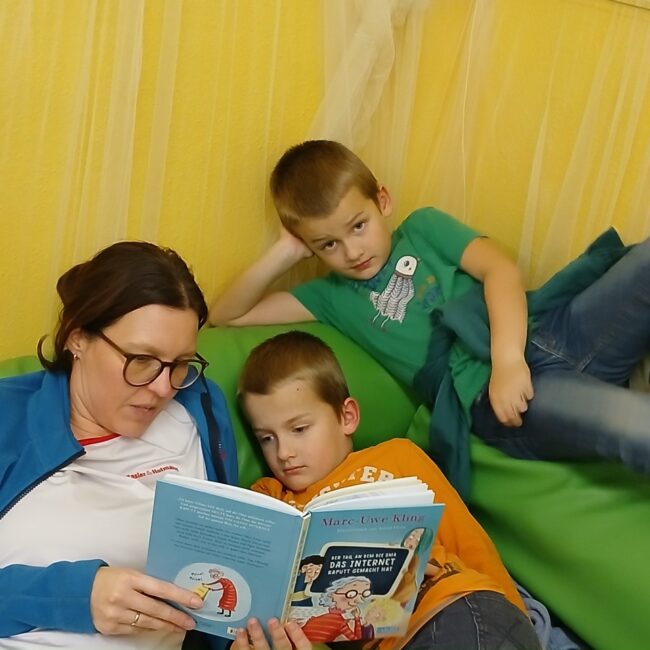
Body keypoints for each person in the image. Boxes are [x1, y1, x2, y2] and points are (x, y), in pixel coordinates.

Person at [210, 138, 650, 497]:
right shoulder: (330, 297)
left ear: (382, 200)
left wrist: (508, 360)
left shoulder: (423, 229)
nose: (352, 251)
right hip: (486, 397)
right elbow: (227, 314)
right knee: (633, 424)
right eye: (328, 245)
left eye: (358, 226)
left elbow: (499, 270)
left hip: (542, 337)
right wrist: (285, 250)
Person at [235, 330, 542, 650]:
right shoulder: (274, 499)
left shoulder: (397, 457)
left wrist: (518, 618)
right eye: (266, 438)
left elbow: (469, 542)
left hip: (453, 606)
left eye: (299, 429)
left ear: (347, 417)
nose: (283, 452)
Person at [0, 241, 238, 650]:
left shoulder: (200, 407)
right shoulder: (9, 417)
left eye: (181, 363)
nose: (163, 387)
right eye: (141, 359)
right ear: (77, 337)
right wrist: (76, 597)